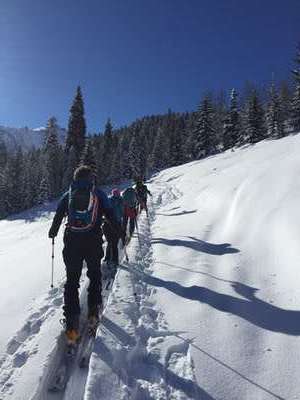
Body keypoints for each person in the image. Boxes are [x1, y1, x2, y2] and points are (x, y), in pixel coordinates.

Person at [48, 165, 116, 344]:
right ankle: (93, 312)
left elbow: (57, 216)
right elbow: (110, 214)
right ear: (90, 178)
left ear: (75, 177)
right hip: (92, 241)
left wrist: (53, 232)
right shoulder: (98, 193)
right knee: (94, 275)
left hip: (72, 242)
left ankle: (72, 324)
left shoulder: (68, 193)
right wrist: (118, 229)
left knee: (72, 281)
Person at [102, 188, 125, 273]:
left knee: (109, 242)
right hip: (117, 224)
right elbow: (122, 213)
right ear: (118, 194)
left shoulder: (108, 200)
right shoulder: (121, 201)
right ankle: (115, 261)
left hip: (106, 224)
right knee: (114, 243)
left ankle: (107, 259)